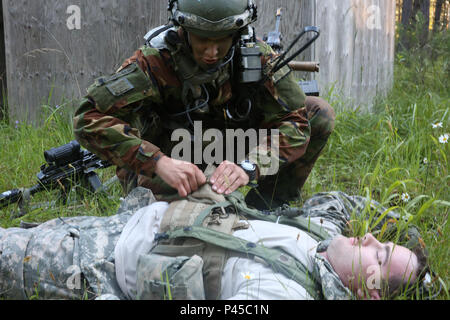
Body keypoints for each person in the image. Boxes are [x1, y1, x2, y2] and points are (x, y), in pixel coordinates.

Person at [73, 0, 335, 210]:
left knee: (318, 113)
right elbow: (88, 117)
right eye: (202, 40)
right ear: (183, 31)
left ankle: (268, 207)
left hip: (231, 147)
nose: (212, 52)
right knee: (190, 216)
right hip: (170, 161)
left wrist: (250, 165)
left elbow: (297, 122)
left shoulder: (256, 57)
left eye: (221, 40)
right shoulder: (155, 62)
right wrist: (157, 162)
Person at [0, 183, 433, 300]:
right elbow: (337, 201)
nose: (372, 237)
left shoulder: (286, 291)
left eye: (380, 253)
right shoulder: (328, 239)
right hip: (125, 221)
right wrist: (408, 231)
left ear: (369, 292)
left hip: (96, 265)